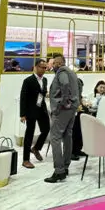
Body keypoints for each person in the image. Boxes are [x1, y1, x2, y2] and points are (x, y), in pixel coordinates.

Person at [45, 54, 81, 183]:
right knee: (67, 136)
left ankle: (59, 170)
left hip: (63, 110)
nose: (52, 66)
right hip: (72, 108)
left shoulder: (62, 72)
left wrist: (63, 102)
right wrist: (75, 101)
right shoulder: (72, 73)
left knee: (55, 137)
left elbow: (65, 84)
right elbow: (79, 85)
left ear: (59, 63)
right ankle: (65, 167)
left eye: (54, 63)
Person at [19, 59, 50, 169]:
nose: (44, 69)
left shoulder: (45, 80)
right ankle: (25, 160)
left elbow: (42, 93)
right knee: (29, 134)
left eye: (45, 68)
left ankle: (36, 148)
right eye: (42, 67)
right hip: (31, 110)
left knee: (46, 129)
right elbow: (23, 97)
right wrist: (22, 114)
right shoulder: (28, 81)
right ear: (36, 67)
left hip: (42, 109)